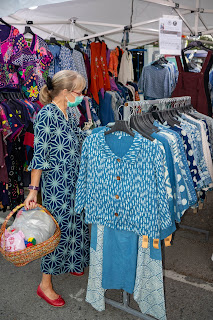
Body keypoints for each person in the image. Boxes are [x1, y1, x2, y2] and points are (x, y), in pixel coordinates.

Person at [24, 70, 90, 307]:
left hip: (74, 178)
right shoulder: (46, 115)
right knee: (56, 230)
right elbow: (39, 156)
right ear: (65, 91)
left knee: (76, 222)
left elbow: (77, 138)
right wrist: (33, 189)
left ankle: (72, 261)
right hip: (56, 184)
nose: (81, 95)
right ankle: (45, 284)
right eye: (78, 91)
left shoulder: (70, 110)